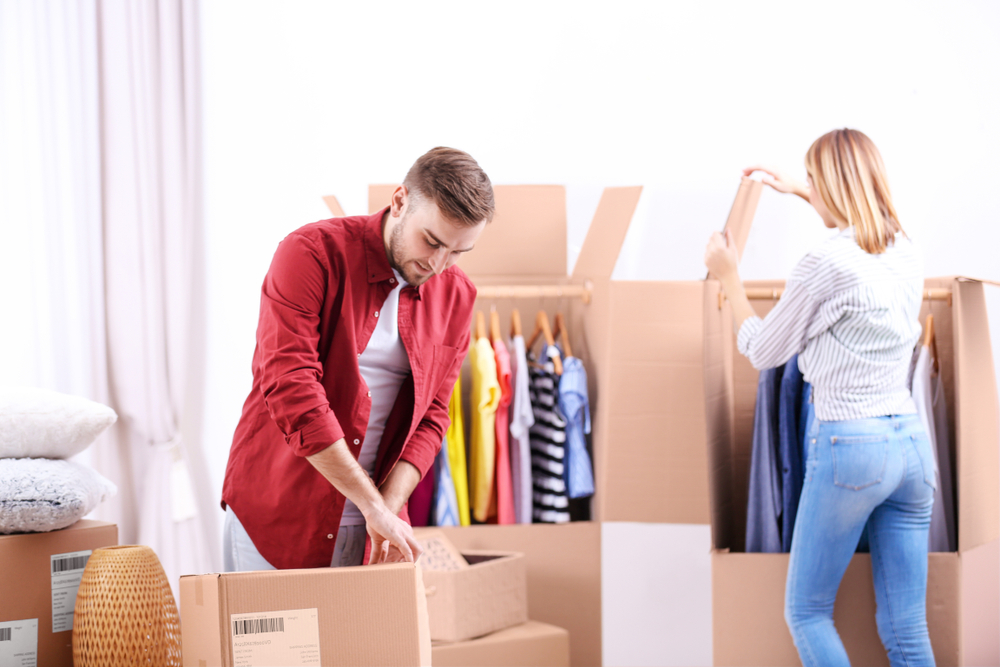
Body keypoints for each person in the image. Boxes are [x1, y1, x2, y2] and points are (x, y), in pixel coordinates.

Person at [704, 129, 935, 666]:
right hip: (911, 448)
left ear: (831, 184)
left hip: (851, 447)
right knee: (906, 625)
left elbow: (764, 350)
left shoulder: (822, 264)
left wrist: (730, 277)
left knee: (807, 612)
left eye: (813, 179)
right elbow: (859, 229)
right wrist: (805, 192)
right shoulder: (904, 247)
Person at [221, 147, 494, 571]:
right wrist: (372, 506)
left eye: (458, 252)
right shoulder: (310, 253)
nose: (439, 264)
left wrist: (385, 509)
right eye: (432, 241)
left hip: (377, 530)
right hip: (280, 517)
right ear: (400, 200)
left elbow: (433, 416)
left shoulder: (457, 295)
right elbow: (291, 387)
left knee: (366, 641)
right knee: (277, 638)